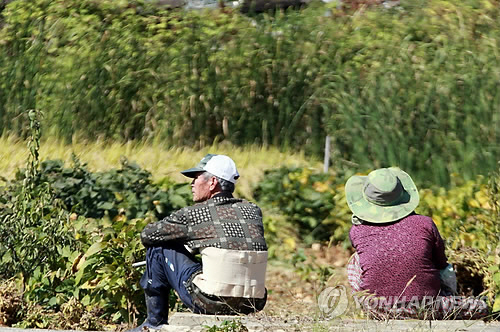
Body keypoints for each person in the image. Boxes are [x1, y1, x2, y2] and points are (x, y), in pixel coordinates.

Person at [129, 154, 268, 331]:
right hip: (253, 302)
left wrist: (184, 244)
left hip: (210, 302)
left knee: (159, 246)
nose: (192, 184)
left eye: (196, 178)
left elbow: (148, 235)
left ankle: (154, 324)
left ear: (212, 182)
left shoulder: (195, 214)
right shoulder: (253, 210)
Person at [345, 167, 489, 320]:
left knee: (356, 259)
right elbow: (442, 265)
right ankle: (447, 301)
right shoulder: (425, 224)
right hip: (427, 307)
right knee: (481, 307)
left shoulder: (357, 231)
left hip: (378, 308)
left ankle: (367, 310)